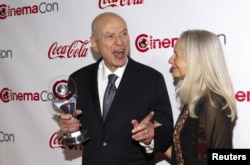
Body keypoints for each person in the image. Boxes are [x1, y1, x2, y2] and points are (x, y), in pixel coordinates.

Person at [57, 12, 174, 165]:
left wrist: (150, 137)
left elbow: (165, 134)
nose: (120, 42)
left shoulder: (151, 79)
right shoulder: (78, 80)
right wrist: (67, 130)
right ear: (94, 44)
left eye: (124, 34)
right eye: (110, 36)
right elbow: (71, 139)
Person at [164, 29, 237, 165]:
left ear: (194, 59)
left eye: (176, 54)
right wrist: (154, 139)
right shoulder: (195, 101)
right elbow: (185, 158)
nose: (171, 60)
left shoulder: (213, 103)